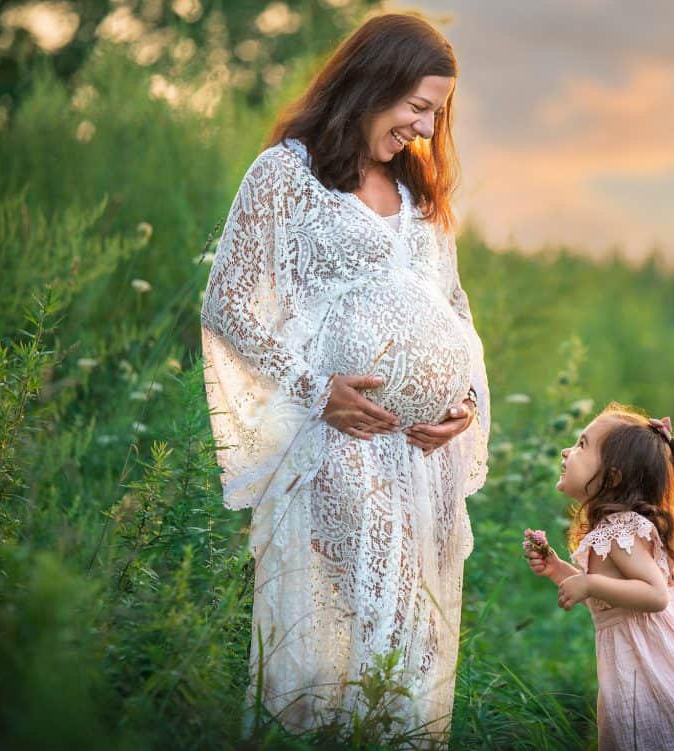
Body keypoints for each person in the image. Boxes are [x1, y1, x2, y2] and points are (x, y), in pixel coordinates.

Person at [199, 13, 489, 740]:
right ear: (372, 81)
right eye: (417, 107)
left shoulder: (420, 197)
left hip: (422, 458)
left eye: (437, 114)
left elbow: (454, 309)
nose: (425, 129)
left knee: (404, 646)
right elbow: (227, 301)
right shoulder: (287, 175)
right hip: (338, 443)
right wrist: (313, 387)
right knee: (359, 637)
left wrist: (465, 403)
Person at [524, 404, 674, 751]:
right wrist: (557, 568)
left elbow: (655, 595)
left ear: (612, 478)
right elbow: (612, 599)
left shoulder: (620, 530)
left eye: (581, 445)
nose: (566, 451)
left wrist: (589, 583)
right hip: (631, 659)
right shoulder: (611, 531)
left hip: (644, 664)